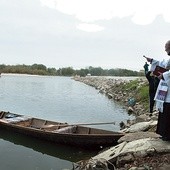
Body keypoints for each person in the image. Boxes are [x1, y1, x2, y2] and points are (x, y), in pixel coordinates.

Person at [144, 40, 170, 141]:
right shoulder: (169, 59)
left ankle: (167, 135)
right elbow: (162, 64)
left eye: (166, 47)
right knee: (164, 112)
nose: (165, 49)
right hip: (166, 89)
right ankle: (164, 134)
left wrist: (163, 75)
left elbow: (167, 70)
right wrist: (152, 60)